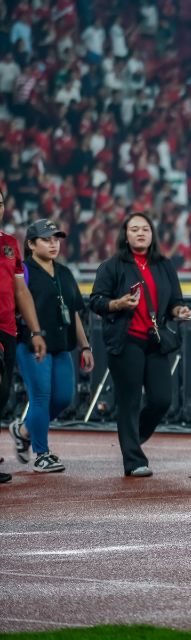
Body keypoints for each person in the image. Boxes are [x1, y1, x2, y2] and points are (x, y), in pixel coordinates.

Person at [90, 213, 191, 477]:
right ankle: (133, 459)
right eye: (134, 229)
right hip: (126, 341)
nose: (140, 233)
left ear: (152, 234)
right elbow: (96, 301)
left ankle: (133, 437)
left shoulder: (164, 265)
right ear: (125, 235)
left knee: (162, 399)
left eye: (145, 229)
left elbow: (174, 301)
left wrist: (179, 311)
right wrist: (118, 304)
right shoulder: (112, 266)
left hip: (154, 340)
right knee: (129, 401)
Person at [7, 220, 93, 473]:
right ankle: (42, 454)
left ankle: (22, 430)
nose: (53, 244)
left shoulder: (65, 273)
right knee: (41, 397)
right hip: (32, 345)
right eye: (46, 239)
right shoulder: (23, 271)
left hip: (61, 346)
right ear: (31, 244)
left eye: (56, 239)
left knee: (63, 398)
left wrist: (85, 346)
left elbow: (75, 312)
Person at [0, 192, 48, 485]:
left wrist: (36, 330)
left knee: (3, 395)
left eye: (1, 203)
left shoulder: (10, 244)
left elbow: (21, 291)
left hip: (8, 330)